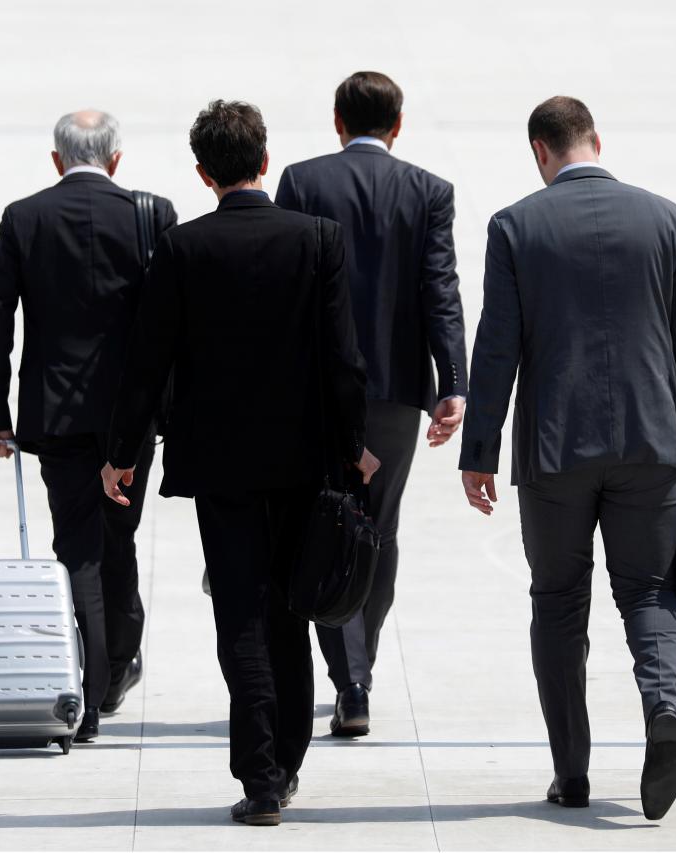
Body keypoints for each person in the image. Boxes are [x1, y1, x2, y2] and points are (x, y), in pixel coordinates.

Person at [101, 100, 376, 826]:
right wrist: (355, 449)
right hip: (303, 459)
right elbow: (343, 361)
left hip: (219, 465)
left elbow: (146, 362)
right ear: (265, 159)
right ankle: (284, 761)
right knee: (291, 609)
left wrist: (120, 454)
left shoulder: (183, 248)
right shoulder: (319, 238)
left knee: (241, 615)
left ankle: (260, 775)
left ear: (203, 172)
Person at [458, 96, 676, 821]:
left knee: (558, 600)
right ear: (596, 141)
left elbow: (498, 346)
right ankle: (662, 707)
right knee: (650, 589)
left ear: (540, 151)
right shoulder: (664, 218)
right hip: (653, 441)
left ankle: (571, 770)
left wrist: (478, 450)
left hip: (555, 449)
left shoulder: (515, 225)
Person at [0, 109, 176, 743]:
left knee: (78, 545)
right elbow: (174, 323)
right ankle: (114, 669)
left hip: (55, 413)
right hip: (131, 417)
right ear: (115, 158)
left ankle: (91, 690)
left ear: (57, 159)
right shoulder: (153, 214)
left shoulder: (23, 217)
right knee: (120, 535)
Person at [275, 71, 467, 737]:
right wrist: (454, 383)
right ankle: (360, 671)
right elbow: (441, 288)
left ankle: (347, 679)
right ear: (399, 124)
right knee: (377, 529)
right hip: (394, 393)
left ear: (337, 121)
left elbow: (287, 287)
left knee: (328, 522)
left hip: (320, 390)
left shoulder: (302, 182)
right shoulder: (428, 191)